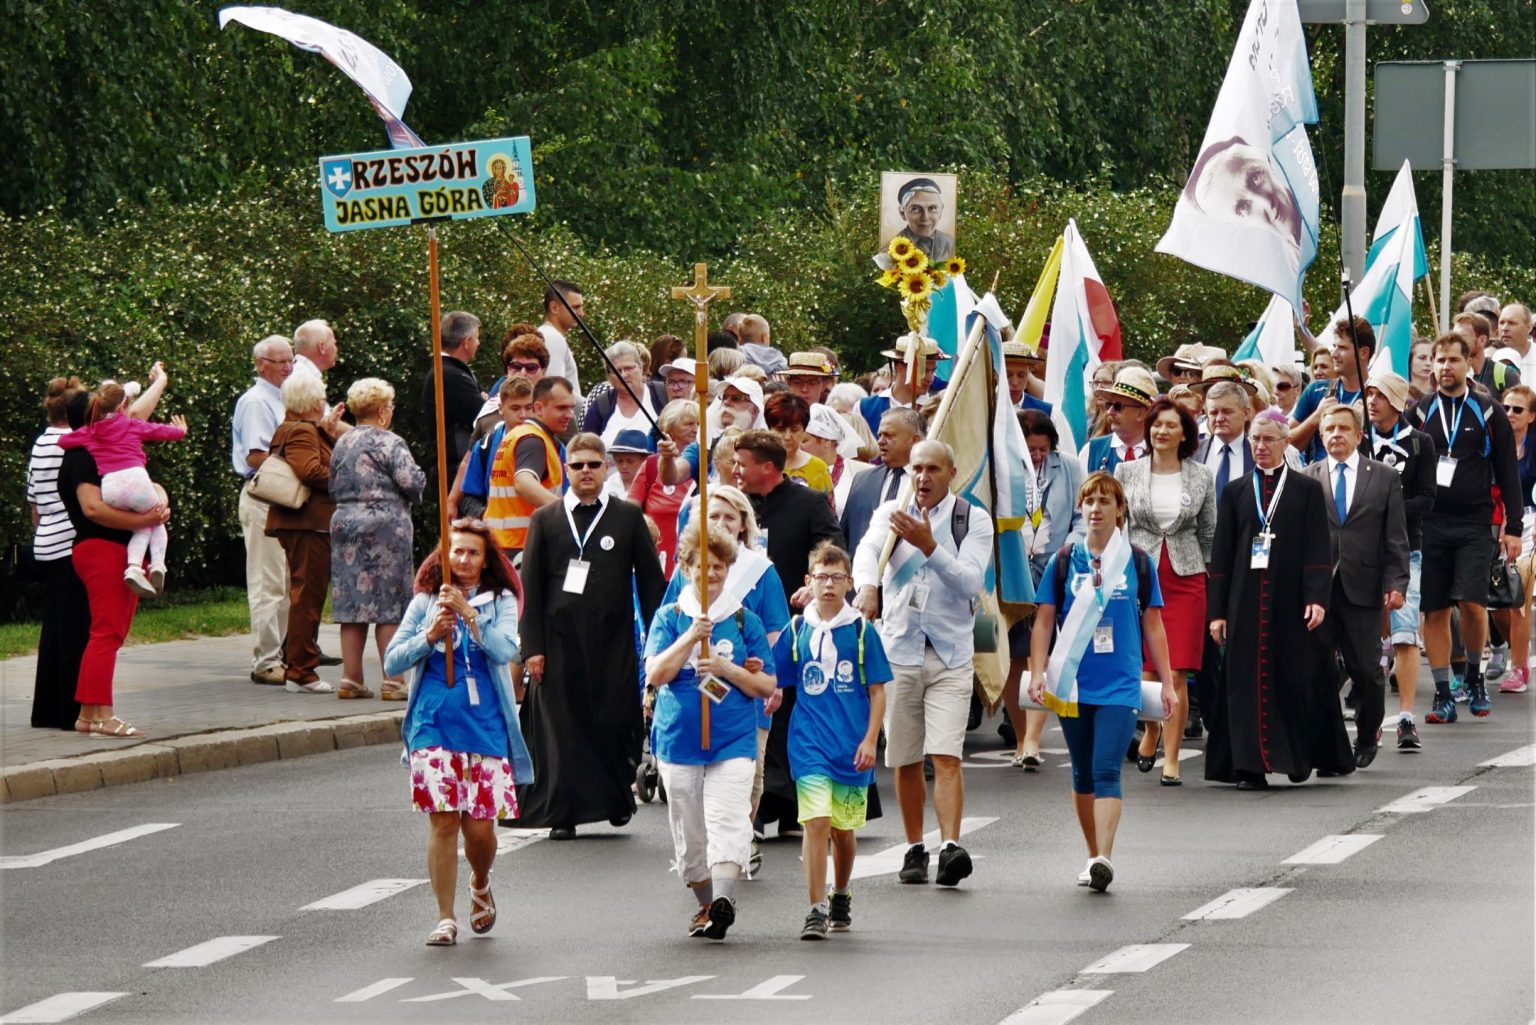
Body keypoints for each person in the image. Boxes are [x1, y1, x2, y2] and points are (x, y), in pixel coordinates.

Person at [384, 519, 534, 947]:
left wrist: (470, 617)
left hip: (484, 725)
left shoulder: (500, 601)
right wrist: (430, 635)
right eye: (456, 552)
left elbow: (507, 650)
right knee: (445, 821)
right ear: (444, 557)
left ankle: (481, 881)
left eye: (472, 553)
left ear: (486, 561)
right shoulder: (425, 602)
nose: (463, 560)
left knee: (480, 831)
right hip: (432, 724)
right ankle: (445, 916)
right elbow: (393, 662)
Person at [852, 440, 992, 887]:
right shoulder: (891, 513)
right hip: (899, 650)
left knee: (946, 754)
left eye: (933, 468)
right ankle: (915, 846)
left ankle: (950, 845)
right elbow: (866, 553)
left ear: (951, 472)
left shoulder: (972, 519)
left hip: (950, 652)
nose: (923, 478)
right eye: (916, 469)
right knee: (906, 758)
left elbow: (970, 580)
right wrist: (868, 585)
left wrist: (931, 546)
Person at [1027, 472, 1176, 891]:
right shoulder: (1063, 561)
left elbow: (1154, 625)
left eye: (1104, 501)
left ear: (1120, 510)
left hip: (1119, 683)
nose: (1095, 508)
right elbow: (1042, 624)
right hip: (1073, 682)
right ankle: (1093, 855)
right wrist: (1039, 673)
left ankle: (1105, 855)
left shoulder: (1139, 562)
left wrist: (1166, 682)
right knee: (1082, 775)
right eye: (1089, 501)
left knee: (1107, 768)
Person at [516, 434, 666, 839]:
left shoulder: (627, 517)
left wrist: (662, 642)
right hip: (558, 640)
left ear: (606, 469)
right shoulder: (545, 518)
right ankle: (563, 814)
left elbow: (653, 586)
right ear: (566, 470)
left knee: (614, 720)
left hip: (613, 640)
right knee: (563, 728)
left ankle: (615, 799)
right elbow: (528, 588)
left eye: (593, 465)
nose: (586, 471)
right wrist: (532, 648)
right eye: (577, 465)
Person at [1205, 408, 1353, 789]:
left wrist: (1318, 597)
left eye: (1268, 439)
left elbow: (1319, 547)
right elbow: (1222, 556)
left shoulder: (1305, 489)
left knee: (1295, 678)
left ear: (1286, 443)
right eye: (1255, 439)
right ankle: (1248, 767)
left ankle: (1297, 755)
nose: (1260, 447)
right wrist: (1217, 613)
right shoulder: (1237, 491)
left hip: (1292, 600)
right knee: (1244, 683)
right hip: (1244, 601)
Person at [644, 520, 778, 940]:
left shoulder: (743, 621)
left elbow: (766, 684)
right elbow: (656, 673)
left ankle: (723, 898)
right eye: (703, 566)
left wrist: (726, 668)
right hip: (678, 742)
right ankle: (705, 902)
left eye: (719, 566)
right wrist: (689, 637)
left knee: (728, 818)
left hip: (732, 738)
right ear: (687, 568)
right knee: (690, 831)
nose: (711, 574)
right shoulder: (670, 617)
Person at [773, 543, 890, 939]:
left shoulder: (861, 632)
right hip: (808, 743)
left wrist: (871, 740)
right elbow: (774, 675)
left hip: (852, 746)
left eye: (836, 578)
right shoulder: (797, 629)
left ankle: (841, 892)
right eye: (821, 578)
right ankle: (815, 908)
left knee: (843, 831)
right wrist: (766, 688)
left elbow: (877, 691)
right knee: (816, 822)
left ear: (849, 583)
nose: (828, 586)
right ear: (808, 581)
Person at [732, 429, 845, 837]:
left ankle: (794, 803)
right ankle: (759, 806)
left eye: (742, 463)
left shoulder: (809, 502)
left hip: (793, 623)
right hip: (741, 622)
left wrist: (813, 582)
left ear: (767, 466)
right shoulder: (734, 505)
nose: (735, 470)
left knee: (791, 712)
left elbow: (831, 548)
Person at [1408, 333, 1523, 723]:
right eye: (1438, 361)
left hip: (1475, 522)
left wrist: (1514, 529)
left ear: (1468, 363)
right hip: (1430, 523)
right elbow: (1406, 467)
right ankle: (1442, 691)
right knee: (1435, 609)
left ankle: (1474, 677)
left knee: (1473, 603)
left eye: (1452, 360)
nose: (1443, 367)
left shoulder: (1488, 412)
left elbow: (1508, 472)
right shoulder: (1420, 411)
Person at [58, 384, 172, 739]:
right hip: (102, 548)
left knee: (107, 634)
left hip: (109, 549)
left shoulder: (99, 445)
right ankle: (104, 716)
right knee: (106, 634)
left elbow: (147, 484)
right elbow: (93, 508)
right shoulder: (83, 456)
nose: (120, 413)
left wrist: (159, 503)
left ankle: (88, 714)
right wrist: (146, 521)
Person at [1116, 397, 1215, 786]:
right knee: (1144, 672)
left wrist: (1210, 578)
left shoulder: (1201, 475)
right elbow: (1117, 526)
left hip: (1186, 579)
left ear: (1184, 434)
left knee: (1175, 673)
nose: (1161, 431)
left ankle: (1171, 760)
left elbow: (1209, 533)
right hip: (1139, 576)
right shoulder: (1126, 471)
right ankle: (1152, 729)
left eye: (1171, 425)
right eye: (1157, 424)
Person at [1303, 405, 1410, 768]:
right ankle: (1324, 744)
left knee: (1365, 669)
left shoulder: (1383, 477)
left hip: (1364, 587)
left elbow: (1396, 537)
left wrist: (1396, 583)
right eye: (1329, 429)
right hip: (1317, 591)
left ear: (1358, 435)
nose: (1335, 434)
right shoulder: (1307, 477)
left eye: (1342, 429)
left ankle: (1367, 732)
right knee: (1319, 670)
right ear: (1321, 436)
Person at [329, 377, 425, 701]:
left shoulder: (341, 442)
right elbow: (410, 481)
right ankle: (393, 679)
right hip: (385, 526)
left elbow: (332, 483)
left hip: (344, 522)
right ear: (383, 410)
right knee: (389, 604)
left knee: (351, 602)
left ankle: (351, 678)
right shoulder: (390, 442)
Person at [1000, 410, 1086, 767]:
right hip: (1014, 571)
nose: (1037, 456)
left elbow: (1081, 515)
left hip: (1055, 568)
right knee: (1015, 658)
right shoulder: (1003, 467)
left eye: (1042, 449)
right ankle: (1020, 736)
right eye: (1030, 450)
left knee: (1044, 654)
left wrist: (1070, 549)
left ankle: (1034, 741)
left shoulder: (1066, 466)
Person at [58, 373, 186, 597]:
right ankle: (156, 564)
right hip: (136, 480)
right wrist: (181, 431)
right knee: (155, 522)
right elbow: (163, 432)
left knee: (141, 526)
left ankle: (135, 567)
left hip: (111, 489)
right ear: (122, 406)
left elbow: (63, 440)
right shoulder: (131, 425)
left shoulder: (91, 433)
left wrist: (85, 432)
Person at [1361, 371, 1436, 748]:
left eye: (1380, 395)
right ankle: (1370, 714)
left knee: (1405, 633)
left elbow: (1427, 497)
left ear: (1396, 401)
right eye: (1368, 394)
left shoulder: (1421, 444)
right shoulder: (1360, 441)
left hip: (1408, 549)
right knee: (1369, 636)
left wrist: (1391, 508)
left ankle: (1406, 717)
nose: (1372, 401)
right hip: (1363, 551)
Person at [265, 373, 337, 694]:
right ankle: (301, 671)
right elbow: (309, 470)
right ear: (311, 401)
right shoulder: (303, 431)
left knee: (303, 594)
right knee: (307, 597)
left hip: (300, 523)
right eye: (321, 397)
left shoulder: (294, 428)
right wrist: (343, 473)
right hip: (309, 523)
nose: (324, 402)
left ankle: (298, 665)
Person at [232, 335, 295, 685]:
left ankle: (280, 654)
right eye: (280, 362)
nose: (288, 367)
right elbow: (255, 456)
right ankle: (266, 660)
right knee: (268, 581)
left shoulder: (284, 398)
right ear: (261, 364)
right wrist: (301, 460)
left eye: (291, 360)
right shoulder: (257, 401)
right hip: (266, 496)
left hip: (285, 498)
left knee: (285, 581)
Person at [29, 378, 89, 730]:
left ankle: (45, 709)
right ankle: (69, 709)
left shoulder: (41, 442)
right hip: (69, 540)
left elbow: (34, 502)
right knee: (75, 627)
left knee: (53, 627)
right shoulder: (69, 444)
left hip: (47, 542)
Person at [485, 376, 576, 563]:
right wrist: (570, 514)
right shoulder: (533, 440)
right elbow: (523, 483)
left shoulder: (518, 435)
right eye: (561, 408)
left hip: (502, 544)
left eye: (571, 408)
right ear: (539, 408)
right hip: (520, 548)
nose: (569, 415)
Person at [1182, 136, 1303, 262]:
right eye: (1243, 208)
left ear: (1265, 160)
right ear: (1238, 224)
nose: (1265, 202)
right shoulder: (1289, 263)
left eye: (1255, 178)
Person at [1490, 383, 1536, 696]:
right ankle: (1517, 645)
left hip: (1530, 520)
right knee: (1494, 599)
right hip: (1496, 520)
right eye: (1506, 407)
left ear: (1532, 416)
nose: (1510, 414)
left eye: (1517, 409)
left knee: (1519, 592)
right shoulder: (1494, 441)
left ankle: (1519, 666)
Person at [1289, 316, 1374, 464]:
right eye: (1334, 346)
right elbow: (1287, 444)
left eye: (1341, 348)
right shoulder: (1316, 390)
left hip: (1362, 480)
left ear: (1363, 353)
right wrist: (1316, 417)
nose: (1333, 354)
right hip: (1321, 481)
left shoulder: (1377, 395)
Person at [841, 408, 924, 559]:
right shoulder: (863, 480)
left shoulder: (931, 482)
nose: (880, 441)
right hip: (863, 577)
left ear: (915, 440)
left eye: (889, 435)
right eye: (880, 435)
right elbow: (845, 536)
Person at [630, 399, 698, 574]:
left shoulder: (703, 464)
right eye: (689, 423)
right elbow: (631, 508)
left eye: (699, 423)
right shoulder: (651, 465)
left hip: (694, 560)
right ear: (670, 429)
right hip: (655, 559)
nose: (696, 428)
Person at [452, 376, 534, 520]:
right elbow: (468, 498)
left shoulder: (552, 445)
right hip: (498, 537)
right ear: (501, 409)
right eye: (515, 408)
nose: (523, 415)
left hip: (537, 538)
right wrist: (486, 514)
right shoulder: (485, 447)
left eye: (529, 408)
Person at [421, 311, 484, 475]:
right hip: (454, 469)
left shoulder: (453, 371)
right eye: (476, 338)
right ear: (467, 342)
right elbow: (483, 414)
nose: (478, 343)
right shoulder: (449, 375)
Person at [857, 334, 947, 436]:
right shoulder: (864, 407)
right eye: (924, 370)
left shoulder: (938, 409)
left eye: (933, 370)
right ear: (900, 368)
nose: (930, 378)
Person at [582, 340, 665, 446]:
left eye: (629, 368)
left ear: (641, 367)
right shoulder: (601, 406)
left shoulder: (662, 394)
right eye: (617, 371)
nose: (623, 375)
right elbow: (586, 448)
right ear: (608, 377)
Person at [1080, 366, 1156, 472]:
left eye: (1118, 406)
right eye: (1109, 405)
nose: (1110, 412)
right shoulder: (1091, 450)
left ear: (1141, 413)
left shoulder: (1161, 452)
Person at [803, 402, 869, 517]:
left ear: (827, 441)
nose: (798, 446)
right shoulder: (791, 472)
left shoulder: (861, 472)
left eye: (804, 441)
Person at [764, 391, 832, 492]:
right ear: (769, 430)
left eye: (794, 430)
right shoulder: (755, 464)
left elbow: (827, 507)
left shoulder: (818, 469)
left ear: (804, 431)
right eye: (781, 430)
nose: (787, 437)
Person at [1195, 381, 1255, 495]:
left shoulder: (1260, 454)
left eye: (1227, 412)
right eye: (1213, 413)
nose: (1219, 419)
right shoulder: (1192, 453)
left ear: (1246, 413)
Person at [537, 280, 585, 396]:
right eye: (575, 307)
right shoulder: (552, 338)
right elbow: (555, 393)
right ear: (554, 308)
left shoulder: (547, 335)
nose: (582, 313)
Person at [891, 177, 954, 261]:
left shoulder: (950, 243)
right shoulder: (891, 248)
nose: (925, 218)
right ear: (902, 213)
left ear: (941, 211)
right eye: (915, 209)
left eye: (932, 208)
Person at [604, 429, 651, 502]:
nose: (624, 466)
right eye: (619, 461)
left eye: (630, 461)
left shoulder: (651, 485)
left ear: (644, 460)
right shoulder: (606, 487)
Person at [1497, 303, 1535, 383]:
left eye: (1511, 323)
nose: (1505, 328)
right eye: (1501, 323)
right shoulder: (1487, 357)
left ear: (1529, 327)